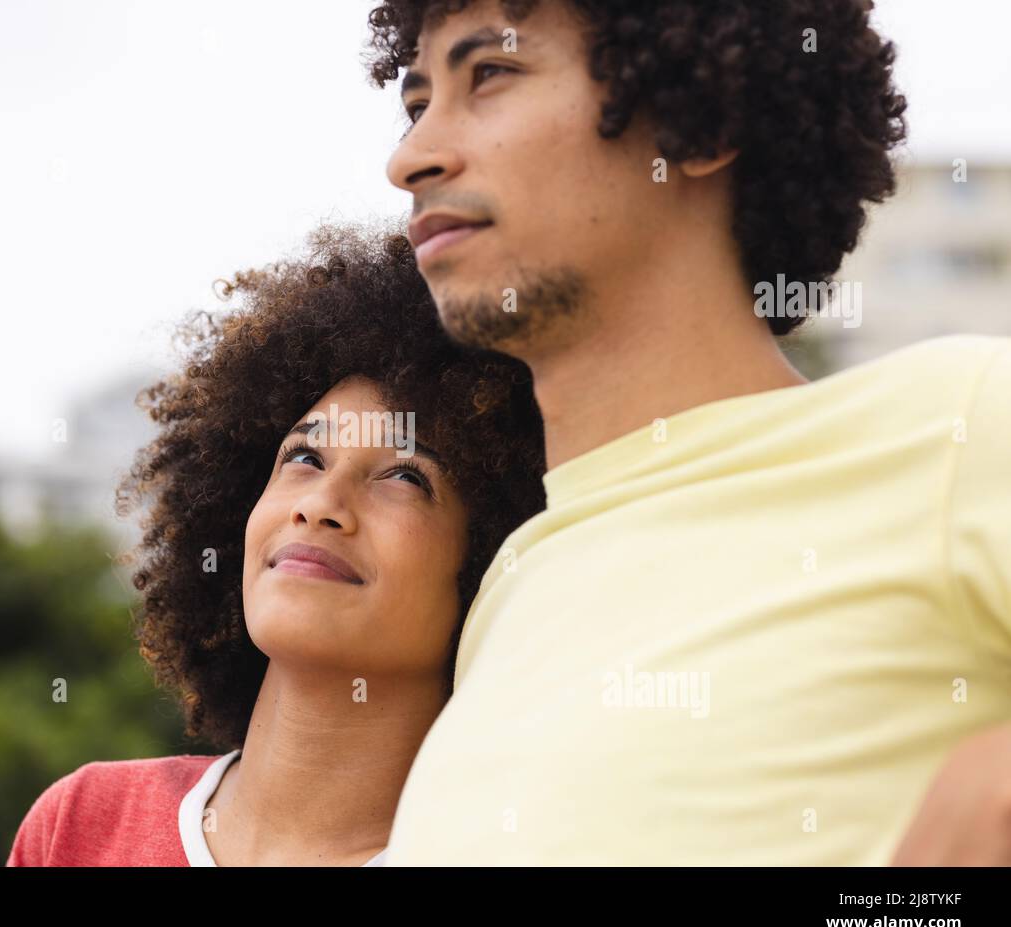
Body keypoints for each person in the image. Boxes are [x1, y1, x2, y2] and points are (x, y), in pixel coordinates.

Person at [365, 0, 1011, 864]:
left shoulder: (960, 416)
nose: (410, 158)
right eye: (416, 106)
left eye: (490, 75)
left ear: (699, 124)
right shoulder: (511, 587)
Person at [5, 222, 546, 866]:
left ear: (491, 559)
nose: (320, 505)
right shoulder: (81, 825)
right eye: (305, 457)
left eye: (404, 476)